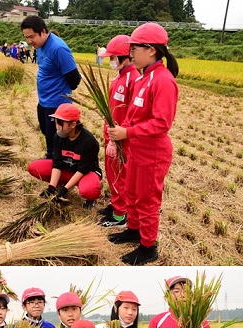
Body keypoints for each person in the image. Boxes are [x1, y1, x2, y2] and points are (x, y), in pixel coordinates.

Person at [108, 23, 180, 265]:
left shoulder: (163, 80)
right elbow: (132, 115)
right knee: (131, 192)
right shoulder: (143, 78)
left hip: (153, 151)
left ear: (150, 50)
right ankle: (133, 230)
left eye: (134, 49)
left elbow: (162, 123)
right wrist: (120, 134)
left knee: (147, 199)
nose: (130, 54)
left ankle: (148, 247)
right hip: (136, 148)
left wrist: (127, 132)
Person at [21, 16, 81, 160]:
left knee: (55, 141)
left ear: (43, 31)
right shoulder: (40, 46)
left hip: (57, 104)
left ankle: (56, 165)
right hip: (44, 101)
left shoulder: (58, 48)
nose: (29, 41)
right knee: (46, 132)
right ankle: (54, 160)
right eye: (26, 38)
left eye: (32, 37)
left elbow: (74, 79)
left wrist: (60, 91)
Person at [29, 103, 102, 209]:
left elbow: (83, 169)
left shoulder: (89, 142)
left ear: (73, 124)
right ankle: (59, 183)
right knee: (33, 167)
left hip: (85, 173)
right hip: (67, 170)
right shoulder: (58, 137)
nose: (57, 127)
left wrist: (64, 190)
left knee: (89, 191)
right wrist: (52, 187)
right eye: (56, 122)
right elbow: (57, 163)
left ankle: (90, 198)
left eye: (60, 123)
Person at [97, 35, 136, 227]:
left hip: (121, 138)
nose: (111, 61)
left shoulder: (134, 78)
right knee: (112, 173)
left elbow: (132, 113)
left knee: (120, 175)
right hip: (111, 135)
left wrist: (116, 139)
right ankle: (115, 204)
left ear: (125, 56)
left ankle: (120, 215)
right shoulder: (119, 76)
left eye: (114, 57)